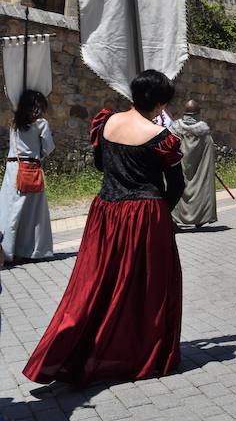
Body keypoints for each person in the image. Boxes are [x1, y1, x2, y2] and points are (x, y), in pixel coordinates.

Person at [24, 70, 185, 385]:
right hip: (145, 213)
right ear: (162, 103)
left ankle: (81, 346)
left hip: (106, 211)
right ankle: (137, 350)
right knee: (146, 285)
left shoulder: (105, 123)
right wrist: (162, 210)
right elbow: (176, 184)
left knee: (98, 281)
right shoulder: (163, 138)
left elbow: (101, 164)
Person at [0, 90, 54, 264]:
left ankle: (7, 251)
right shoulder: (41, 124)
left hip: (12, 168)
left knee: (11, 210)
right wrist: (38, 153)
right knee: (33, 214)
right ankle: (30, 250)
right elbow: (48, 147)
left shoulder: (14, 123)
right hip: (30, 169)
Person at [170, 100, 217, 228]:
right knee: (200, 187)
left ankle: (174, 218)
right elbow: (209, 149)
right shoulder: (204, 132)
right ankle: (199, 218)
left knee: (175, 188)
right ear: (197, 114)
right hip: (198, 168)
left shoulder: (174, 129)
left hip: (178, 165)